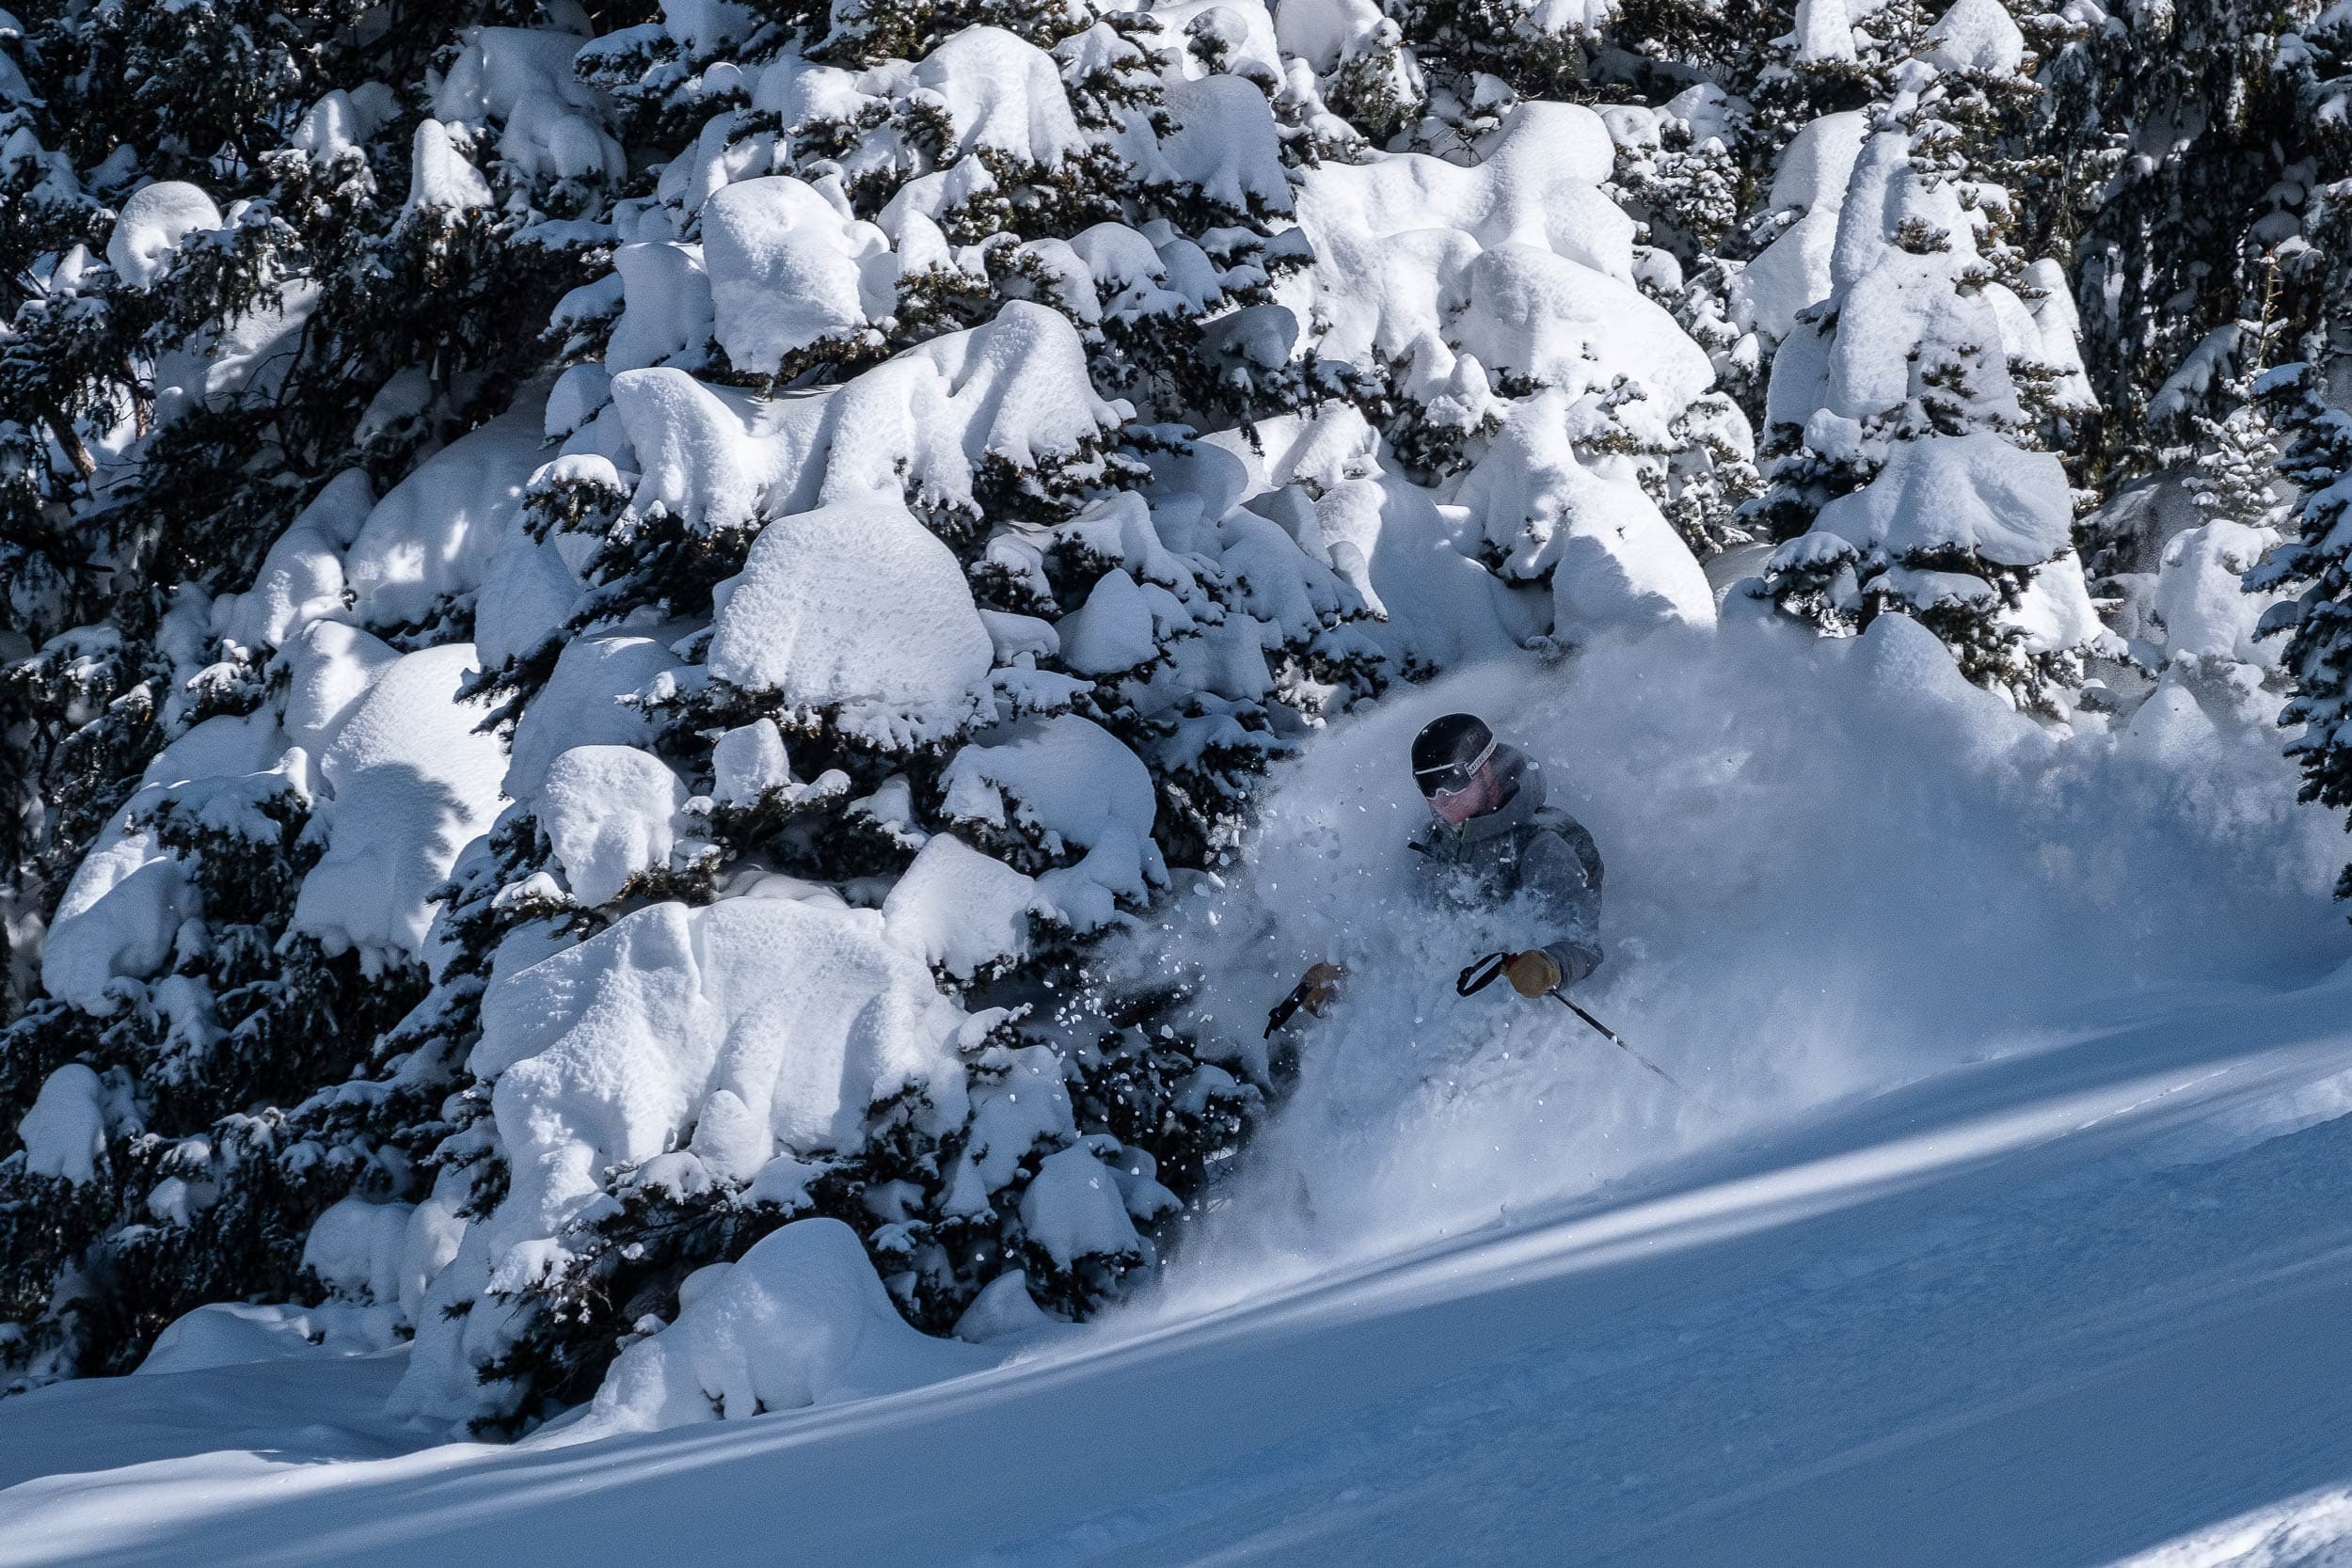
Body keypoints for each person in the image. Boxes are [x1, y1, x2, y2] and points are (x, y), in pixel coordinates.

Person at [1282, 712, 1604, 1023]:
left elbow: (1582, 945)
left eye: (1450, 781)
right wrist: (1343, 968)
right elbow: (1404, 922)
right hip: (1434, 1011)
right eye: (1427, 785)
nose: (1439, 798)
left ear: (1486, 772)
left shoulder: (1540, 845)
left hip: (1513, 1022)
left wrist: (1549, 967)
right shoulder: (1434, 840)